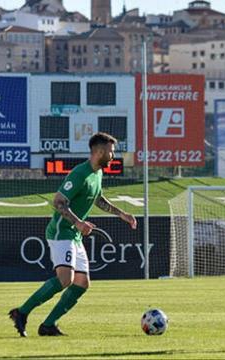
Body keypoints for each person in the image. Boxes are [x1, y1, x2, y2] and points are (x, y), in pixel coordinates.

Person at [9, 132, 137, 337]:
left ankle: (48, 325)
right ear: (100, 152)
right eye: (111, 152)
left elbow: (98, 198)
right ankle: (21, 312)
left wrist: (122, 214)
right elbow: (58, 201)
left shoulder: (98, 173)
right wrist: (78, 222)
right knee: (65, 279)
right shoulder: (79, 173)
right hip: (62, 231)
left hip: (74, 234)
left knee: (82, 283)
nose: (113, 156)